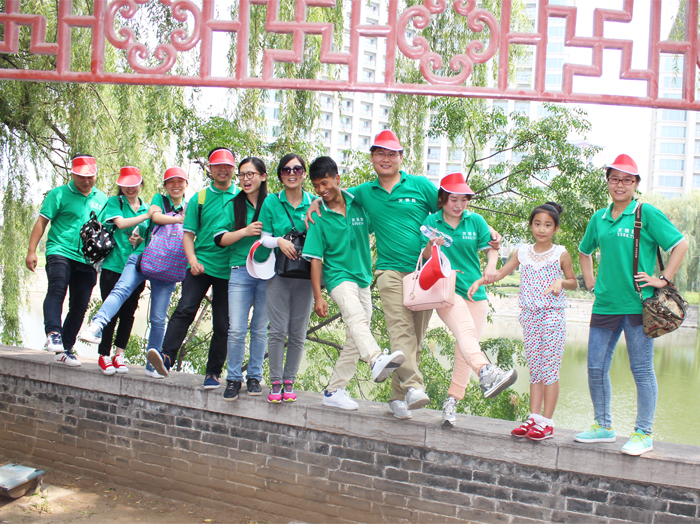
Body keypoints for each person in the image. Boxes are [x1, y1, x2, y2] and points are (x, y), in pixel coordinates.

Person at [307, 131, 501, 419]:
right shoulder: (365, 192)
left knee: (415, 340)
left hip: (425, 274)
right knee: (400, 330)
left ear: (400, 157)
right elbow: (333, 193)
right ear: (372, 158)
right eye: (380, 153)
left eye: (391, 154)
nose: (385, 159)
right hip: (389, 271)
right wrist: (315, 202)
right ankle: (414, 386)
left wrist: (489, 232)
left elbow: (452, 209)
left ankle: (399, 397)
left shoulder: (420, 185)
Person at [574, 154, 688, 456]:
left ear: (636, 184)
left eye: (627, 180)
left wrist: (662, 279)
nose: (620, 184)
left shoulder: (644, 213)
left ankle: (643, 433)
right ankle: (603, 426)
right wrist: (590, 281)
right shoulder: (599, 218)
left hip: (639, 306)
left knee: (641, 369)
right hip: (605, 305)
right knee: (595, 367)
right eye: (614, 179)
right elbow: (584, 251)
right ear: (608, 182)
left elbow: (680, 244)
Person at [302, 156, 405, 411]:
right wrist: (318, 296)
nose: (321, 190)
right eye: (316, 186)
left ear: (337, 179)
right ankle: (376, 358)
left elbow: (381, 216)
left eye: (325, 183)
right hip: (338, 278)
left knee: (356, 334)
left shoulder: (358, 204)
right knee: (356, 318)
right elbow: (315, 260)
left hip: (363, 278)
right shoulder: (318, 217)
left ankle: (334, 390)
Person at [469, 202, 577, 439]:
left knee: (550, 370)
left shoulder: (560, 253)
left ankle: (547, 423)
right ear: (530, 226)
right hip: (529, 316)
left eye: (547, 225)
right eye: (537, 224)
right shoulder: (523, 252)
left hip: (552, 316)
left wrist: (561, 282)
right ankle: (534, 418)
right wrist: (479, 281)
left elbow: (573, 282)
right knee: (535, 370)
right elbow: (499, 273)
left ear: (556, 229)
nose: (542, 229)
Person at [420, 173, 518, 426]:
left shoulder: (475, 221)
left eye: (464, 199)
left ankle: (452, 401)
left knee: (466, 345)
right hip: (446, 289)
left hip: (475, 291)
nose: (459, 205)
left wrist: (491, 267)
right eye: (454, 199)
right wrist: (432, 244)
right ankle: (486, 370)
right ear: (443, 199)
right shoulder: (432, 221)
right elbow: (425, 255)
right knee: (465, 331)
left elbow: (492, 248)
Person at [79, 167, 189, 378]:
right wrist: (180, 219)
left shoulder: (191, 206)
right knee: (120, 290)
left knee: (158, 318)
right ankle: (97, 325)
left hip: (170, 265)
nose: (176, 185)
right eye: (171, 182)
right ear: (165, 186)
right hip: (144, 257)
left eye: (180, 181)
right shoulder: (158, 200)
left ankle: (152, 366)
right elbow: (156, 218)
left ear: (186, 184)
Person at [147, 148, 238, 389]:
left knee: (223, 323)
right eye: (217, 166)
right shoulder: (200, 198)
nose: (222, 170)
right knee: (185, 310)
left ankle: (213, 372)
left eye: (227, 166)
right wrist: (193, 260)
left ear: (233, 168)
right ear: (210, 169)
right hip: (200, 265)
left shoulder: (241, 197)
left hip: (229, 270)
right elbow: (188, 234)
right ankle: (166, 357)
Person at [26, 154, 107, 366]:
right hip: (59, 250)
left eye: (90, 177)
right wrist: (32, 251)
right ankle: (53, 333)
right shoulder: (59, 194)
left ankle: (65, 349)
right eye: (81, 177)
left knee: (80, 305)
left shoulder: (102, 199)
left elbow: (108, 229)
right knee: (57, 288)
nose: (86, 181)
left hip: (87, 259)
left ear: (96, 175)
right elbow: (42, 222)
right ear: (73, 174)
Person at [257, 154, 315, 403]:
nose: (292, 173)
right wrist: (279, 241)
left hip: (307, 275)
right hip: (279, 273)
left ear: (304, 174)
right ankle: (276, 381)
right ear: (280, 175)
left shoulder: (314, 202)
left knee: (298, 332)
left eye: (297, 169)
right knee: (278, 330)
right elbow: (263, 238)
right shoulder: (272, 201)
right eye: (286, 170)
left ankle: (290, 380)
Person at [213, 157, 269, 401]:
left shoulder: (272, 203)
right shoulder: (233, 204)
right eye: (242, 175)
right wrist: (244, 232)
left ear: (263, 176)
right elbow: (219, 239)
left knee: (259, 328)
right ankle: (234, 378)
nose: (246, 179)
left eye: (251, 174)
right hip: (239, 270)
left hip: (267, 272)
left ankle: (254, 376)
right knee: (236, 328)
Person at [91, 167, 151, 375]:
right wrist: (146, 217)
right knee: (111, 311)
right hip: (114, 266)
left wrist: (140, 238)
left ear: (140, 184)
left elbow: (145, 240)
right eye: (126, 185)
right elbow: (121, 224)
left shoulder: (147, 208)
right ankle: (104, 355)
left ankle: (119, 354)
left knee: (129, 313)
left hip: (136, 269)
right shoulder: (115, 202)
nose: (130, 189)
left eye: (134, 184)